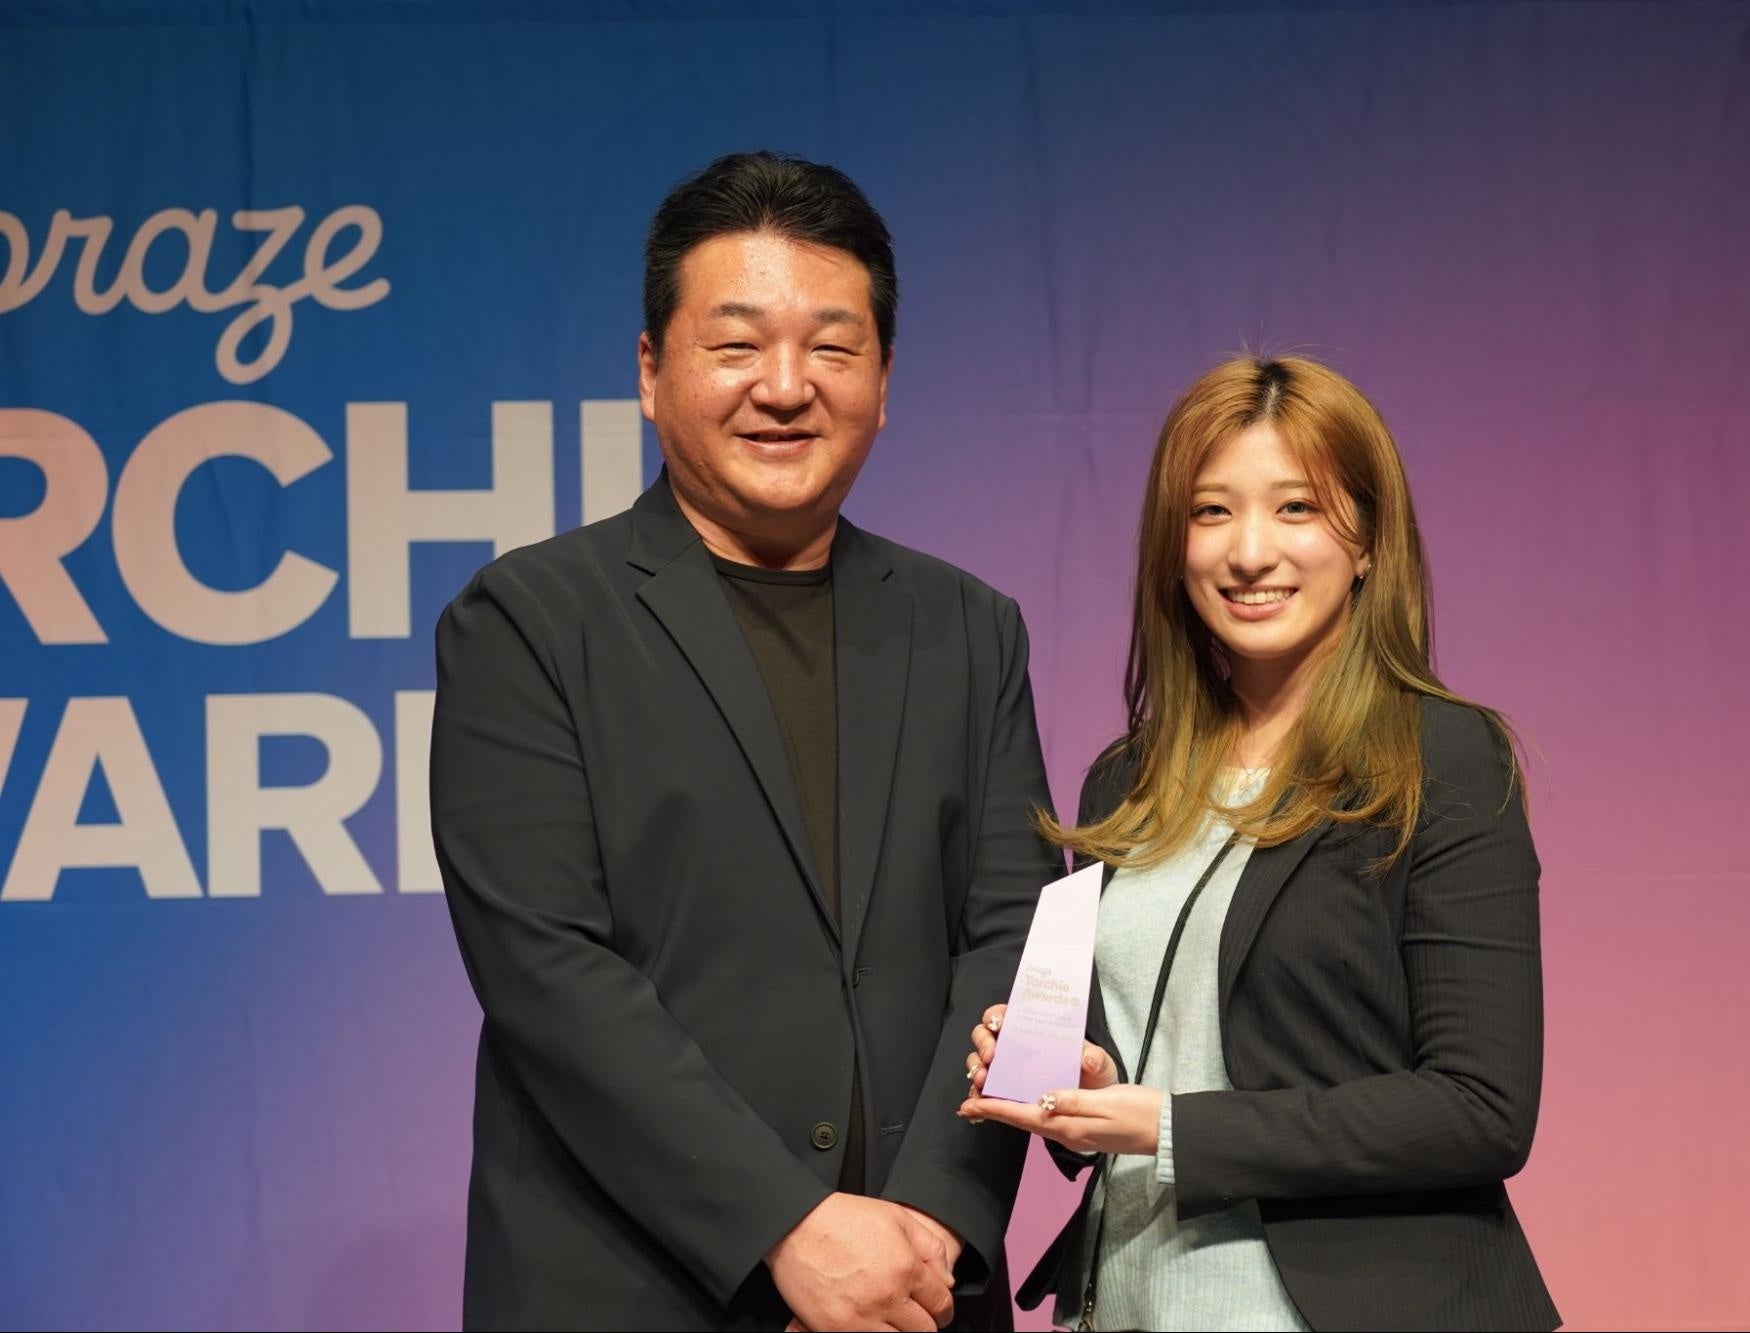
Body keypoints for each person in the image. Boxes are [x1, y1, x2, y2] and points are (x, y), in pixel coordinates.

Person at [431, 151, 1061, 1331]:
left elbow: (1015, 949)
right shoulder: (532, 620)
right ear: (650, 373)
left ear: (883, 380)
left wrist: (932, 1218)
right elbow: (549, 972)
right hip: (631, 1290)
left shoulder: (968, 628)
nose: (784, 386)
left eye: (832, 347)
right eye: (736, 344)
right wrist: (789, 1224)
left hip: (916, 1295)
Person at [961, 355, 1560, 1331]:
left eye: (1295, 508)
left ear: (1368, 542)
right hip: (1128, 1300)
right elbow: (1143, 1079)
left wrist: (1173, 1126)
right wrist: (1085, 1086)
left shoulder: (1441, 758)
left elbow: (1480, 1107)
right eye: (1211, 511)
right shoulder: (1128, 780)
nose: (1248, 551)